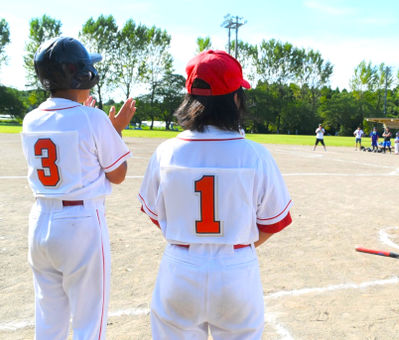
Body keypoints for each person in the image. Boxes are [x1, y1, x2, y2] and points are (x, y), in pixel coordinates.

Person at [138, 50, 293, 339]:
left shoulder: (165, 152)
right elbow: (273, 222)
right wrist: (228, 244)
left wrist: (192, 239)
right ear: (235, 99)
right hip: (236, 269)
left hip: (180, 266)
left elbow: (156, 215)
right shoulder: (255, 154)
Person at [20, 37, 136, 339]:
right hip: (80, 225)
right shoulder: (93, 118)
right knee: (89, 321)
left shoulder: (31, 120)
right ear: (82, 75)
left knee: (48, 321)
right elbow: (118, 174)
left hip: (40, 223)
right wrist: (115, 131)